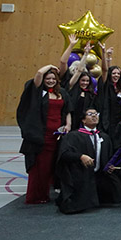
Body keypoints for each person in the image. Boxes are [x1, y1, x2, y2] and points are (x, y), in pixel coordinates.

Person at [17, 64, 72, 204]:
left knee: (49, 168)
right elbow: (38, 74)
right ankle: (34, 196)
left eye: (53, 78)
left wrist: (68, 125)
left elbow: (67, 110)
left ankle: (45, 194)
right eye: (48, 78)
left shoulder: (62, 93)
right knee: (38, 168)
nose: (50, 81)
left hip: (56, 136)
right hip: (40, 137)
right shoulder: (37, 92)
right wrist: (50, 66)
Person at [55, 108, 121, 214]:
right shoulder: (73, 136)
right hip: (81, 174)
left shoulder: (104, 136)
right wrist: (80, 156)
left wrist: (110, 166)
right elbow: (64, 154)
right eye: (90, 114)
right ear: (83, 120)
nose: (94, 116)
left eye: (96, 114)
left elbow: (109, 156)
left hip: (99, 173)